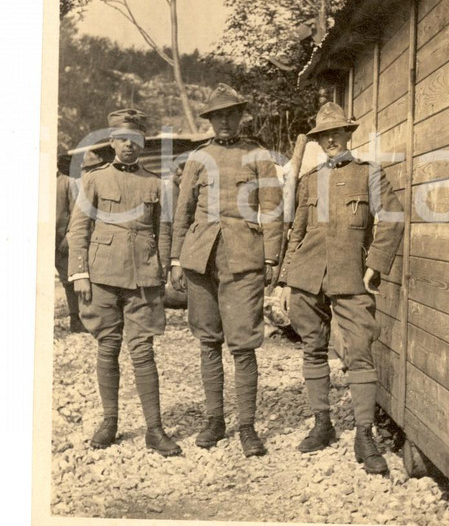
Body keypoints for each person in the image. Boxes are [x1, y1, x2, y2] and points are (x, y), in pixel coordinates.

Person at [279, 102, 404, 474]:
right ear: (317, 140)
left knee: (360, 352)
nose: (330, 139)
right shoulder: (308, 180)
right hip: (307, 277)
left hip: (351, 277)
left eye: (337, 133)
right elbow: (296, 232)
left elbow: (393, 219)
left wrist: (375, 266)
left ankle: (364, 435)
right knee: (313, 349)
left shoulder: (369, 174)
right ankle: (323, 424)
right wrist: (287, 279)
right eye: (323, 135)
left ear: (349, 135)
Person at [171, 84, 283, 457]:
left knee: (243, 345)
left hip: (244, 260)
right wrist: (175, 259)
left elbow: (272, 209)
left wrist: (270, 258)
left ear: (241, 116)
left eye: (231, 114)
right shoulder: (198, 158)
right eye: (218, 115)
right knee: (207, 341)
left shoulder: (258, 155)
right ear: (210, 120)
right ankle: (214, 419)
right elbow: (183, 212)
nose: (225, 121)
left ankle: (247, 426)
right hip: (200, 260)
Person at [67, 108, 182, 457]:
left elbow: (164, 230)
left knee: (143, 351)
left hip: (143, 276)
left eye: (135, 140)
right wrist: (80, 273)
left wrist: (163, 270)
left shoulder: (155, 183)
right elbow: (79, 229)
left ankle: (155, 428)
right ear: (112, 142)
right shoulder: (94, 179)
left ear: (143, 143)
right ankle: (110, 422)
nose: (128, 146)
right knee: (107, 347)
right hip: (101, 276)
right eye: (122, 139)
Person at [55, 151, 105, 333]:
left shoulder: (67, 182)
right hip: (45, 242)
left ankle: (79, 318)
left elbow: (75, 210)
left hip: (63, 242)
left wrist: (69, 236)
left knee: (71, 280)